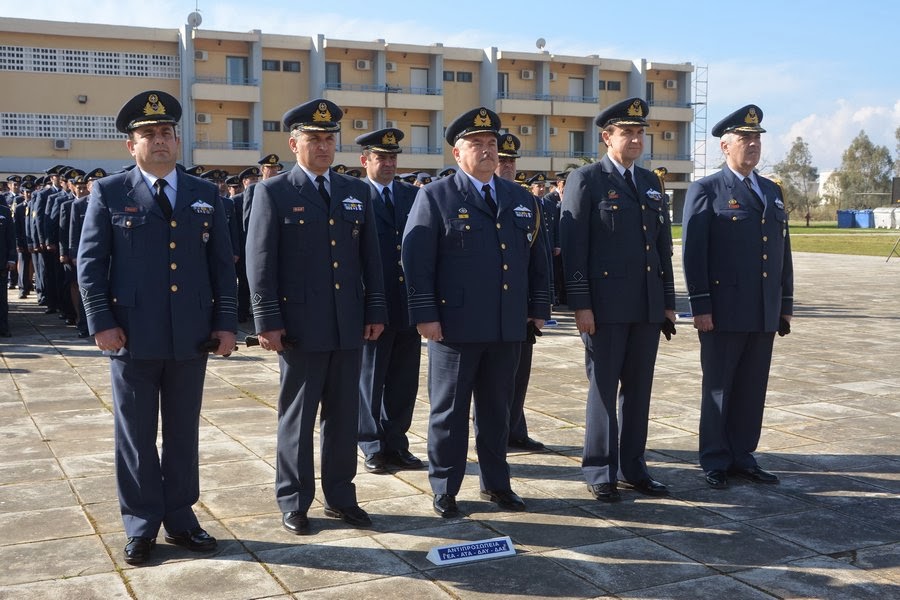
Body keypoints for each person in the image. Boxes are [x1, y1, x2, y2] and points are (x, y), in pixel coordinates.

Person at [77, 90, 238, 565]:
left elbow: (221, 267)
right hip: (131, 336)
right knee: (137, 434)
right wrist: (101, 323)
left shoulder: (205, 193)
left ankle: (182, 519)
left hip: (191, 335)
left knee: (184, 432)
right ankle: (142, 524)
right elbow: (91, 263)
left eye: (166, 132)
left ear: (177, 139)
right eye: (148, 134)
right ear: (132, 145)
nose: (160, 140)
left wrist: (226, 324)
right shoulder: (108, 192)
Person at [245, 98, 387, 536]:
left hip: (348, 323)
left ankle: (342, 496)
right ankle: (294, 500)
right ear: (294, 144)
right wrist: (267, 321)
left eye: (329, 139)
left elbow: (371, 259)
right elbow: (260, 262)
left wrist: (375, 309)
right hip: (300, 328)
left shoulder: (355, 190)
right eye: (314, 139)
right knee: (298, 417)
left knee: (343, 417)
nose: (323, 147)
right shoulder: (272, 191)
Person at [402, 107, 552, 518]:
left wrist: (538, 309)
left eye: (492, 145)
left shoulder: (519, 198)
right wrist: (425, 315)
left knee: (497, 410)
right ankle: (445, 487)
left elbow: (537, 261)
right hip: (456, 326)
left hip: (507, 326)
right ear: (457, 152)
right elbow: (417, 263)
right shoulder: (436, 196)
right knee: (449, 412)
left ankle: (497, 484)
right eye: (477, 145)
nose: (488, 152)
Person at [560, 97, 676, 503]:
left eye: (640, 132)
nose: (636, 139)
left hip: (645, 305)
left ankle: (633, 467)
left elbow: (662, 246)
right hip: (604, 308)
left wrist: (667, 301)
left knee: (639, 390)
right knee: (603, 389)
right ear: (607, 137)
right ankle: (599, 469)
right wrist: (581, 304)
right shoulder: (587, 180)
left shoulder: (649, 182)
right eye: (627, 132)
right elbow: (573, 248)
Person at [681, 104, 793, 490]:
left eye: (757, 139)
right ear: (725, 146)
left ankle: (743, 455)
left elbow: (783, 252)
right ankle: (714, 458)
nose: (753, 145)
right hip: (723, 312)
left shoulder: (771, 190)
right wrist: (701, 306)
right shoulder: (707, 189)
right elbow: (694, 254)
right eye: (745, 139)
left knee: (751, 388)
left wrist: (786, 305)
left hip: (763, 310)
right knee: (719, 387)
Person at [354, 127, 424, 474]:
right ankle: (371, 444)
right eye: (381, 157)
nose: (389, 163)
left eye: (393, 157)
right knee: (369, 378)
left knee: (403, 379)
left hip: (407, 303)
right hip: (371, 304)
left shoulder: (412, 196)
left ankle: (397, 441)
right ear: (365, 160)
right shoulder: (354, 195)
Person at [494, 134, 546, 452]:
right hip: (484, 305)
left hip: (519, 306)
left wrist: (538, 306)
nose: (507, 166)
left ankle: (515, 429)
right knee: (487, 379)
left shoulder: (528, 202)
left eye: (511, 161)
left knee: (519, 373)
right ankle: (493, 432)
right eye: (502, 160)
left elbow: (539, 262)